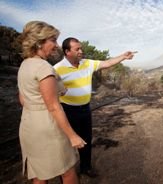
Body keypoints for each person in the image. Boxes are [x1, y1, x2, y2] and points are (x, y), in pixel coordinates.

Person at [54, 37, 136, 177]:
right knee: (67, 143)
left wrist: (123, 56)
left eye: (81, 48)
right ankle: (68, 173)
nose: (81, 51)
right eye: (77, 49)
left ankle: (86, 167)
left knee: (86, 139)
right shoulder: (56, 69)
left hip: (85, 109)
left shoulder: (87, 63)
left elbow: (107, 63)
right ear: (67, 51)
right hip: (67, 110)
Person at [18, 21, 86, 184]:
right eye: (53, 40)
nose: (56, 45)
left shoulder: (25, 65)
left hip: (28, 125)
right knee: (68, 170)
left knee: (40, 175)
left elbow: (22, 99)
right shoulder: (44, 68)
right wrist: (72, 136)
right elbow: (54, 106)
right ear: (40, 42)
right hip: (48, 128)